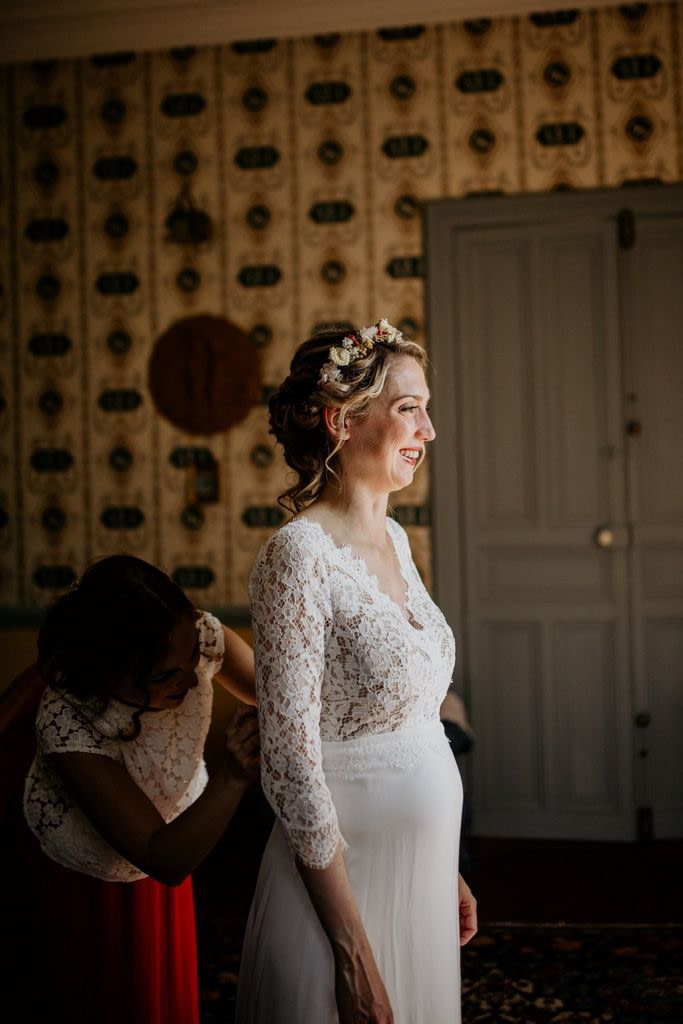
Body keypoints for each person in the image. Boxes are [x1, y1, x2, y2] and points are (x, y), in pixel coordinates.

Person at [236, 319, 477, 1024]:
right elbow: (290, 765)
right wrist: (351, 954)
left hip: (418, 876)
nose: (428, 430)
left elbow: (411, 719)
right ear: (342, 421)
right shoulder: (297, 556)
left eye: (426, 408)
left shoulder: (396, 539)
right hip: (344, 899)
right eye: (409, 409)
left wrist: (444, 867)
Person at [14, 554, 259, 1024]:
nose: (191, 678)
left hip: (174, 844)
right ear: (107, 671)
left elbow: (279, 695)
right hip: (89, 887)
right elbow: (160, 856)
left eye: (191, 658)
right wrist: (232, 776)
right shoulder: (66, 718)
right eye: (165, 675)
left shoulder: (197, 640)